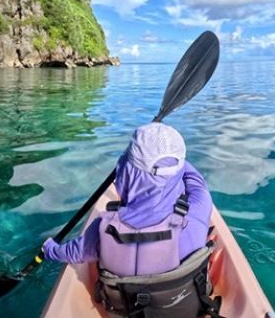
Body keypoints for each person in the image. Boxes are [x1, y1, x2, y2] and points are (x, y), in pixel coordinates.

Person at [41, 123, 221, 317]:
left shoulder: (104, 228)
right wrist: (174, 160)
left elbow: (71, 253)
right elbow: (195, 180)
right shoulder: (198, 208)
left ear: (126, 171)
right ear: (177, 171)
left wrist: (50, 249)